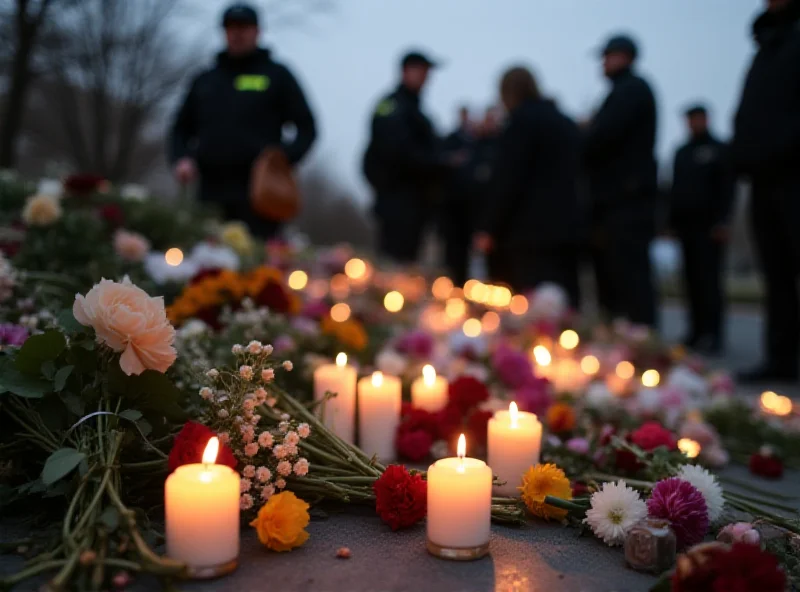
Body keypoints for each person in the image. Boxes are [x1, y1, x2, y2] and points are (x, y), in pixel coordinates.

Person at [169, 3, 317, 238]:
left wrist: (282, 159)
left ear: (257, 32)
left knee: (257, 263)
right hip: (210, 189)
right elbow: (180, 127)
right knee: (207, 260)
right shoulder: (206, 80)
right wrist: (181, 158)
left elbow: (307, 128)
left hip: (260, 190)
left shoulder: (276, 76)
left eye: (244, 27)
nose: (237, 33)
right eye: (231, 27)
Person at [473, 66, 583, 305]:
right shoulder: (564, 123)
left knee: (535, 308)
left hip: (531, 233)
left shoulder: (521, 123)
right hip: (568, 229)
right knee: (566, 305)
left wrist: (488, 227)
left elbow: (508, 179)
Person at [732, 0, 800, 382]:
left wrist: (781, 146)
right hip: (762, 177)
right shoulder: (765, 46)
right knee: (776, 273)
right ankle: (780, 357)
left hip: (793, 173)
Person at [583, 34, 658, 326]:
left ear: (625, 56)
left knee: (630, 274)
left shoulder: (632, 90)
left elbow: (604, 137)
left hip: (626, 201)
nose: (603, 63)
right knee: (615, 274)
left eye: (608, 56)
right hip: (617, 200)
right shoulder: (622, 91)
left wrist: (586, 134)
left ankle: (639, 339)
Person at [363, 51, 460, 263]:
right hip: (397, 203)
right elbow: (398, 152)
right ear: (407, 71)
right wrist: (441, 162)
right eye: (423, 71)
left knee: (408, 267)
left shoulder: (415, 110)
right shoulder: (393, 106)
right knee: (394, 267)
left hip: (417, 204)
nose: (427, 78)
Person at [669, 105, 735, 355]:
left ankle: (714, 334)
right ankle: (695, 331)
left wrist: (723, 221)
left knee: (710, 282)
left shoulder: (718, 150)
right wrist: (671, 222)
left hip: (710, 228)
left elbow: (726, 188)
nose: (694, 123)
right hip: (686, 228)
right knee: (691, 281)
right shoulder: (682, 152)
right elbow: (674, 189)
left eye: (697, 119)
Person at [439, 105, 477, 284]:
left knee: (466, 252)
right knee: (451, 251)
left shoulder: (474, 141)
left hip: (469, 209)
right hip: (451, 207)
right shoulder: (451, 140)